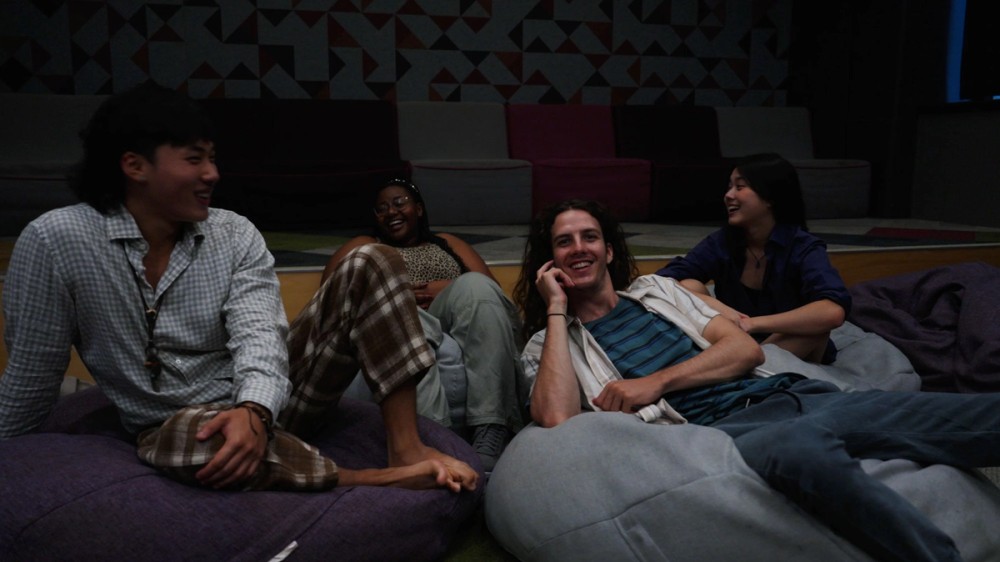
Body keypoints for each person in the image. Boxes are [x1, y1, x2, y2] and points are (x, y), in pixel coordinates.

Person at [0, 82, 477, 494]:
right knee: (187, 441)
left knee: (370, 259)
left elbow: (261, 337)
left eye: (212, 158)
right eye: (194, 159)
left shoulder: (234, 233)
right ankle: (361, 480)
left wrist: (254, 410)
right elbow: (32, 372)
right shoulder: (55, 242)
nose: (212, 174)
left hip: (272, 403)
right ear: (134, 166)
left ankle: (405, 448)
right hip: (176, 425)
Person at [514, 198, 1000, 562]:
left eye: (589, 236)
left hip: (796, 392)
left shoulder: (656, 291)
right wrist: (556, 310)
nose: (580, 248)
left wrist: (656, 382)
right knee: (801, 451)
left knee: (966, 414)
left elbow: (744, 349)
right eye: (564, 241)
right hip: (734, 430)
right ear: (548, 260)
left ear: (607, 248)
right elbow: (555, 415)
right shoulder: (548, 342)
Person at [324, 179, 523, 471]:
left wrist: (446, 287)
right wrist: (394, 293)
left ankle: (491, 426)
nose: (390, 211)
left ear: (418, 209)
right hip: (396, 318)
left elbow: (492, 294)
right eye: (381, 208)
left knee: (476, 287)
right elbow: (330, 296)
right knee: (404, 313)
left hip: (449, 310)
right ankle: (436, 435)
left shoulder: (447, 242)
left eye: (399, 202)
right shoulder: (365, 246)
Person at [656, 153, 849, 363]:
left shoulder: (803, 247)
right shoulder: (723, 242)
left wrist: (754, 323)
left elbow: (833, 312)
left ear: (770, 197)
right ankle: (739, 365)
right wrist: (727, 314)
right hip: (736, 342)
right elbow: (663, 281)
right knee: (689, 285)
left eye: (740, 187)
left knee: (815, 326)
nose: (729, 195)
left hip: (788, 347)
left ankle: (744, 369)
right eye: (729, 187)